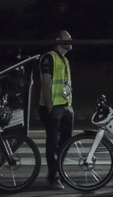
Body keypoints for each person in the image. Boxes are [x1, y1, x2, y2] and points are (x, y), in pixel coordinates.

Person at [38, 30, 74, 190]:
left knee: (65, 142)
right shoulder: (49, 58)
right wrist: (50, 107)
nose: (71, 40)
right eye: (68, 38)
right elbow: (46, 83)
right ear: (59, 40)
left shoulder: (65, 60)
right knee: (53, 142)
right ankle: (54, 177)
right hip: (52, 107)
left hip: (65, 106)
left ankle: (58, 171)